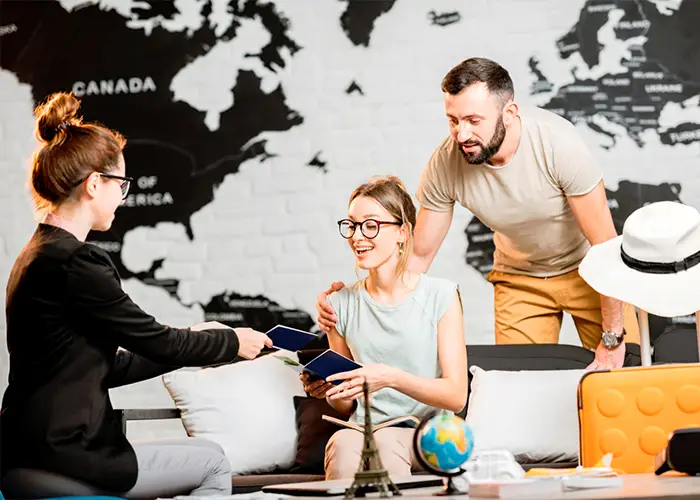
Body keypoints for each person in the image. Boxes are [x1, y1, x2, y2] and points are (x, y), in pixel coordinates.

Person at [0, 92, 273, 499]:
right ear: (95, 183)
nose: (124, 196)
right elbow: (159, 340)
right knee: (214, 463)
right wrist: (232, 341)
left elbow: (105, 365)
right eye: (121, 183)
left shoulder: (34, 255)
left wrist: (195, 335)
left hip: (24, 446)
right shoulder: (78, 262)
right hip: (66, 451)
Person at [317, 57, 640, 371]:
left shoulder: (558, 144)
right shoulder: (446, 164)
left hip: (590, 272)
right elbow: (416, 259)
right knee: (518, 391)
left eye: (474, 120)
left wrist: (612, 339)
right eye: (453, 120)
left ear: (509, 113)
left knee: (625, 374)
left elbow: (604, 247)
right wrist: (353, 306)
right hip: (520, 279)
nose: (461, 134)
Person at [301, 176, 467, 480]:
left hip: (429, 433)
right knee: (342, 444)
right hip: (364, 429)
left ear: (402, 232)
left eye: (371, 225)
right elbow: (344, 403)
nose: (357, 236)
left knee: (387, 443)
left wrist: (390, 378)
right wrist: (329, 389)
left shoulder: (441, 295)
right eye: (351, 225)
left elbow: (456, 396)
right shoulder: (338, 304)